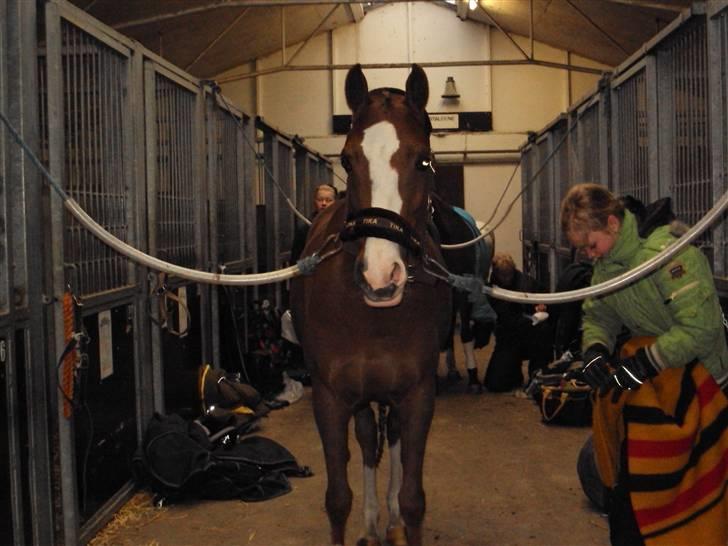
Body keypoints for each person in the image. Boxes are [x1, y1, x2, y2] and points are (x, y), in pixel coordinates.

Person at [562, 183, 728, 545]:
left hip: (706, 385)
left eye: (591, 245)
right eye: (583, 250)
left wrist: (645, 362)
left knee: (702, 500)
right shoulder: (608, 266)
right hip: (660, 383)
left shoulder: (667, 254)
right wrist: (595, 349)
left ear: (612, 224)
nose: (590, 256)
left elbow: (701, 328)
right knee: (633, 499)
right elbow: (598, 314)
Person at [482, 253, 553, 392]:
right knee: (495, 384)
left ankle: (536, 374)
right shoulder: (492, 290)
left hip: (531, 336)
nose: (506, 278)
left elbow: (545, 296)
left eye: (509, 274)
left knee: (543, 331)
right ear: (496, 274)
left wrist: (541, 305)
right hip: (509, 339)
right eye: (503, 275)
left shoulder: (527, 283)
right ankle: (514, 371)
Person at [290, 183, 337, 262]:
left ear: (335, 202)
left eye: (329, 200)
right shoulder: (305, 229)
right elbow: (295, 260)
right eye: (320, 200)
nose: (324, 203)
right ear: (314, 201)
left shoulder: (341, 226)